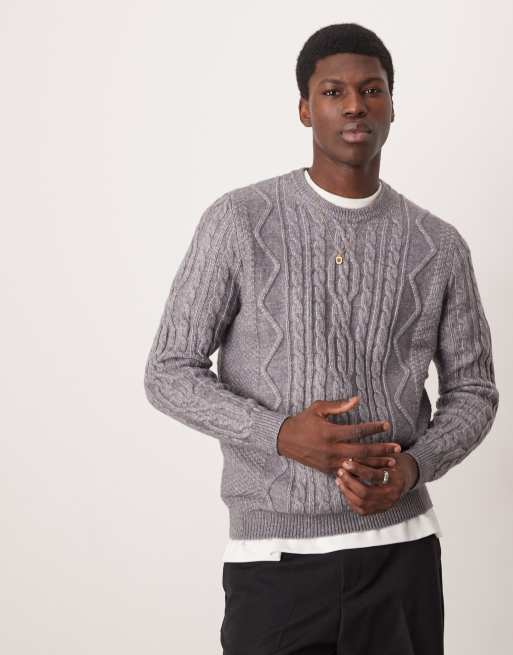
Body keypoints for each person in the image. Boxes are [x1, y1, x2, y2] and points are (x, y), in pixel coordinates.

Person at [143, 22, 499, 655]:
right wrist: (280, 433)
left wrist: (414, 467)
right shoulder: (239, 220)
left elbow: (474, 391)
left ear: (392, 106)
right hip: (273, 563)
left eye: (372, 90)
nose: (355, 105)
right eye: (334, 92)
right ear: (306, 108)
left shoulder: (439, 245)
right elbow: (169, 370)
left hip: (401, 556)